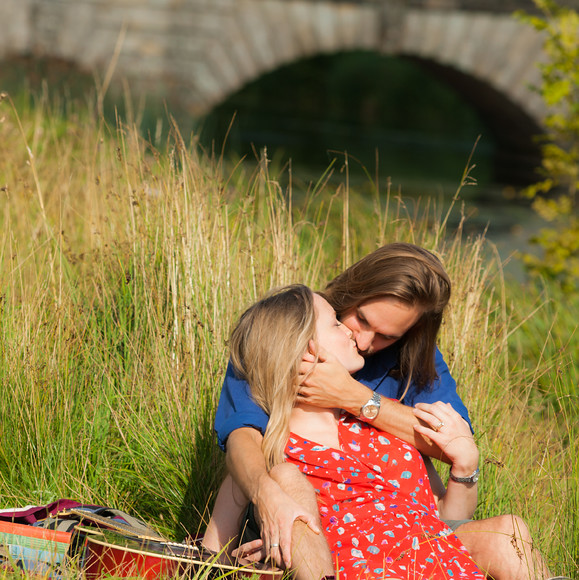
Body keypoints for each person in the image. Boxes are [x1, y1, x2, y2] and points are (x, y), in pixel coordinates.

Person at [204, 243, 553, 579]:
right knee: (286, 479)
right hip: (328, 541)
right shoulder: (280, 333)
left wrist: (355, 397)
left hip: (417, 546)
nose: (364, 341)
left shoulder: (408, 373)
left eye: (386, 336)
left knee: (510, 533)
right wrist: (259, 511)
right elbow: (241, 444)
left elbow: (449, 451)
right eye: (357, 320)